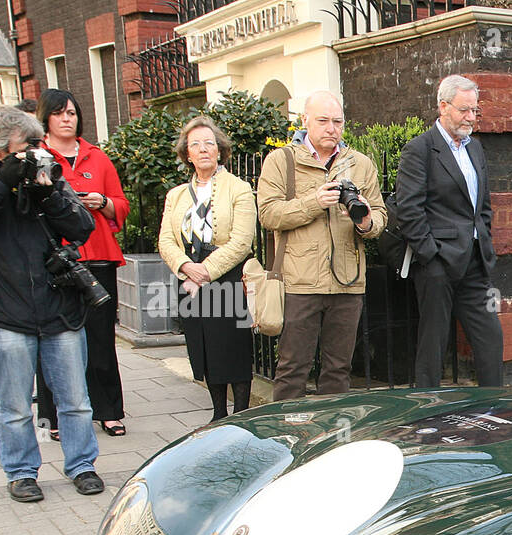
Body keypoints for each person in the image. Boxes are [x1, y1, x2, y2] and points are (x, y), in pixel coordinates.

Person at [0, 105, 101, 502]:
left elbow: (83, 227)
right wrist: (4, 182)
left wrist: (49, 194)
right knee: (14, 404)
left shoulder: (48, 179)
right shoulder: (0, 181)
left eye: (39, 145)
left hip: (60, 309)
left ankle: (82, 465)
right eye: (28, 147)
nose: (37, 153)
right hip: (7, 313)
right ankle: (21, 472)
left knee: (75, 399)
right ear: (3, 150)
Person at [258, 90, 385, 400]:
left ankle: (333, 437)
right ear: (305, 121)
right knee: (292, 369)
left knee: (339, 369)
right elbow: (268, 214)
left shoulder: (360, 163)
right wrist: (313, 203)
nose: (332, 128)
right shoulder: (282, 161)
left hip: (348, 282)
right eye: (323, 121)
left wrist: (365, 222)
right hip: (300, 281)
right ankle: (285, 438)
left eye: (338, 121)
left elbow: (380, 216)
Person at [33, 89, 129, 438]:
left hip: (98, 257)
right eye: (59, 113)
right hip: (53, 262)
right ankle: (54, 416)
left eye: (72, 113)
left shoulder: (98, 157)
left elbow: (121, 205)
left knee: (101, 339)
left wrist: (102, 201)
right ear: (47, 118)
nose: (67, 119)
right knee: (54, 338)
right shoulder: (37, 156)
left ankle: (109, 411)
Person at [397, 74, 502, 389]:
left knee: (490, 338)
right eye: (463, 110)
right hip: (438, 265)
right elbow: (409, 209)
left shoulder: (476, 149)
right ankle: (425, 415)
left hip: (474, 264)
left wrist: (483, 238)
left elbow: (482, 205)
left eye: (474, 110)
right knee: (433, 345)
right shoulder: (420, 150)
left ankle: (493, 409)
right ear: (443, 106)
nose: (471, 117)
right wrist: (431, 255)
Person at [157, 116, 257, 421]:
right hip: (189, 280)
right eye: (195, 145)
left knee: (233, 350)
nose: (203, 150)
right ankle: (217, 414)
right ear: (187, 154)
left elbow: (242, 240)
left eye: (209, 144)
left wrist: (206, 271)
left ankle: (240, 414)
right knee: (204, 349)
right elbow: (165, 239)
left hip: (226, 279)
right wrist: (186, 266)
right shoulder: (176, 195)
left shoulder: (238, 188)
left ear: (220, 150)